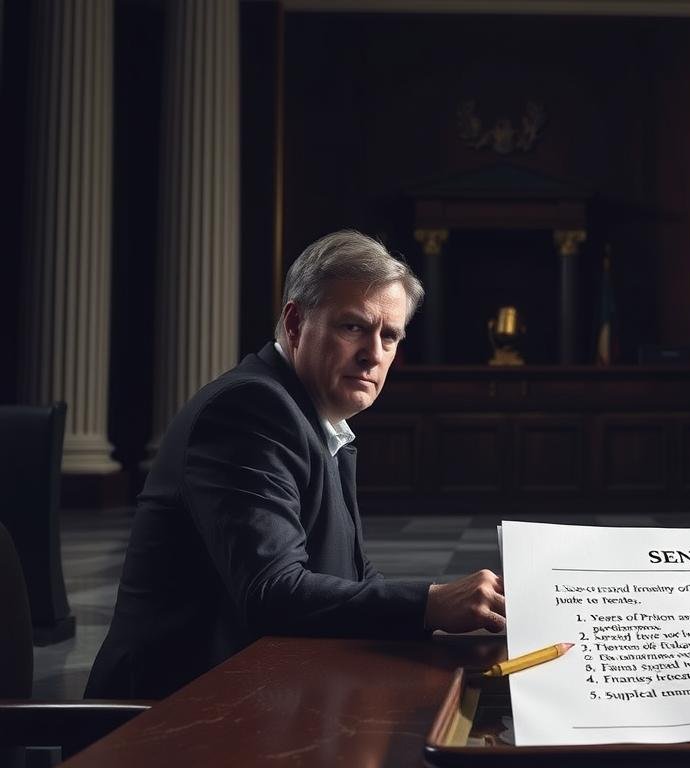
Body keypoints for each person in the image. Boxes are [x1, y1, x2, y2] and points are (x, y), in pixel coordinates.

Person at [86, 231, 506, 699]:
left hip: (253, 693)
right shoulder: (252, 408)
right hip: (166, 715)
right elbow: (273, 592)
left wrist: (459, 613)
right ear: (294, 323)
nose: (373, 354)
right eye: (353, 327)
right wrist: (430, 604)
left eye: (389, 336)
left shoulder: (320, 420)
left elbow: (353, 583)